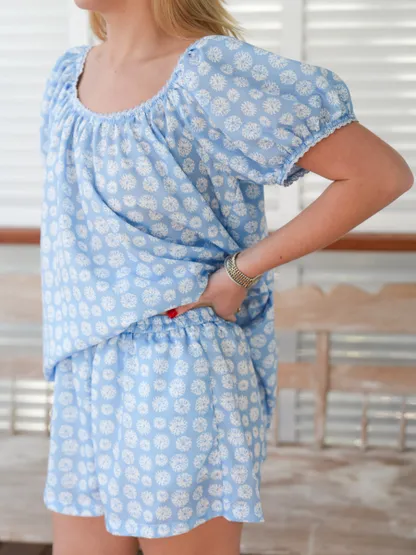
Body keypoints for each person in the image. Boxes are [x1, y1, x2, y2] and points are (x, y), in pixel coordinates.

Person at [38, 1, 413, 554]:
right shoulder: (67, 75)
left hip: (177, 365)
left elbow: (379, 175)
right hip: (85, 366)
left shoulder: (210, 72)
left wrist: (240, 272)